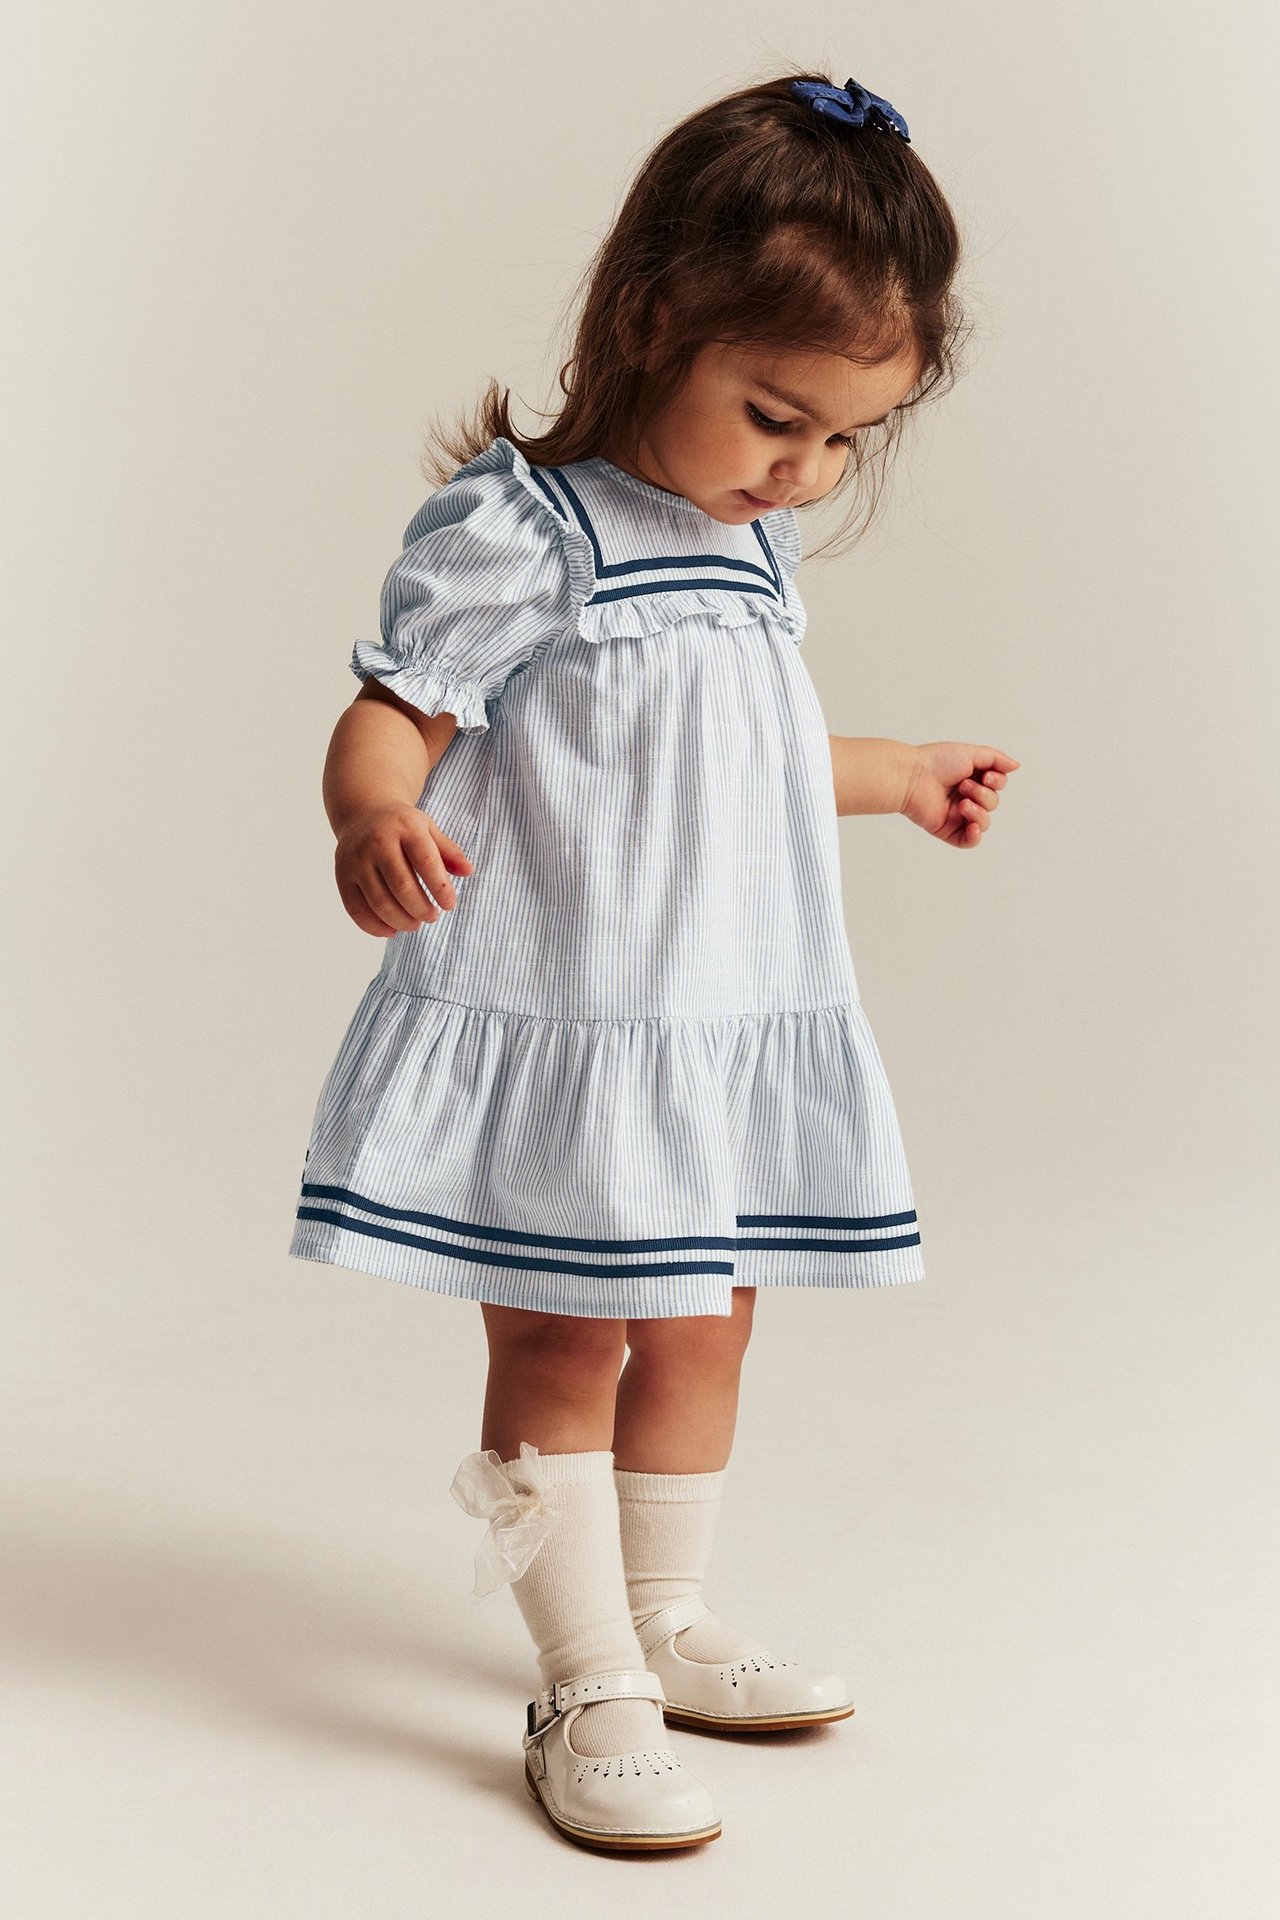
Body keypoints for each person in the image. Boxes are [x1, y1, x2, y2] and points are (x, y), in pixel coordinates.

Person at [288, 71, 1019, 1853]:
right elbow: (397, 711)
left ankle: (667, 1615)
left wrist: (899, 774)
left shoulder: (750, 546)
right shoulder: (524, 530)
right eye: (778, 414)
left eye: (848, 438)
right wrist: (371, 816)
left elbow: (743, 759)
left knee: (707, 1315)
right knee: (564, 1334)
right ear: (650, 320)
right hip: (574, 1018)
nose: (805, 469)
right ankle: (582, 1674)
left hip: (711, 1021)